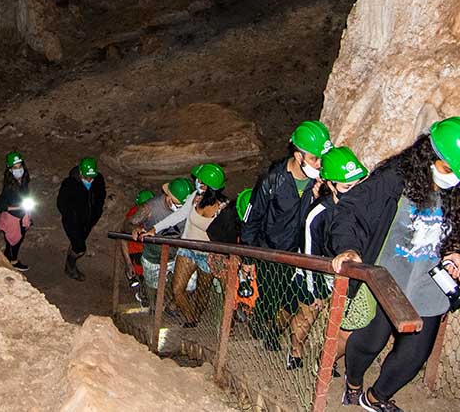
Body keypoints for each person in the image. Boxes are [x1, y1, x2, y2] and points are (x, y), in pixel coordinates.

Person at [331, 116, 460, 412]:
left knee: (415, 355)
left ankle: (375, 398)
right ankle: (353, 382)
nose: (453, 178)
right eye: (448, 169)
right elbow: (351, 210)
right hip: (386, 279)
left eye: (459, 172)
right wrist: (347, 248)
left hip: (428, 283)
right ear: (430, 155)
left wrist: (455, 249)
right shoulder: (395, 178)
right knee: (369, 341)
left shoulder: (459, 189)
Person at [240, 120, 334, 348]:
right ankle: (262, 325)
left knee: (293, 301)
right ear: (298, 155)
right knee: (270, 299)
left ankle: (273, 330)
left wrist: (320, 194)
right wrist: (248, 258)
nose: (320, 164)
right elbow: (251, 219)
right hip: (272, 251)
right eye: (314, 158)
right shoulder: (272, 180)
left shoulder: (322, 181)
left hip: (304, 253)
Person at [287, 145, 369, 370]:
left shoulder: (362, 206)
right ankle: (295, 349)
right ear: (329, 183)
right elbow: (309, 254)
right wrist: (314, 292)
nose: (352, 191)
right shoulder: (317, 215)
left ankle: (326, 360)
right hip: (315, 273)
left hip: (346, 272)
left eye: (356, 185)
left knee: (343, 323)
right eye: (346, 186)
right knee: (307, 314)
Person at [137, 163, 229, 327]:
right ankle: (190, 318)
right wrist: (154, 229)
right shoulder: (194, 197)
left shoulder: (222, 208)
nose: (196, 181)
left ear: (206, 184)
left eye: (199, 180)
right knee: (177, 289)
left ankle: (198, 318)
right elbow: (178, 215)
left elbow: (226, 235)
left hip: (207, 254)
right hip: (187, 250)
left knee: (202, 291)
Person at [125, 177, 192, 296]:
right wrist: (134, 228)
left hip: (178, 253)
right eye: (180, 205)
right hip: (153, 254)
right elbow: (128, 223)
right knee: (153, 287)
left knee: (189, 285)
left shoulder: (191, 206)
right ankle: (149, 299)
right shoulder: (150, 207)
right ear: (169, 197)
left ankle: (172, 306)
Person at [56, 156, 107, 281]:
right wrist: (72, 217)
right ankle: (70, 266)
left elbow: (100, 197)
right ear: (80, 173)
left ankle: (70, 258)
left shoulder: (98, 180)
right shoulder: (70, 184)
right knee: (80, 248)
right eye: (86, 177)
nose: (89, 180)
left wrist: (96, 214)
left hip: (89, 221)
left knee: (78, 242)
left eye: (91, 177)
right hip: (73, 222)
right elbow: (61, 204)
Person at [0, 151, 33, 271]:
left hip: (22, 216)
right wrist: (18, 207)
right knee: (14, 241)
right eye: (15, 168)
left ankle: (6, 256)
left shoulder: (24, 180)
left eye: (20, 166)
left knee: (17, 238)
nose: (19, 170)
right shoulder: (9, 187)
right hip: (13, 219)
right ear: (10, 170)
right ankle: (13, 261)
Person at [120, 189, 156, 299]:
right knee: (143, 274)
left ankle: (144, 294)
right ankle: (144, 294)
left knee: (143, 273)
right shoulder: (140, 212)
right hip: (139, 250)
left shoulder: (133, 213)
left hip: (138, 250)